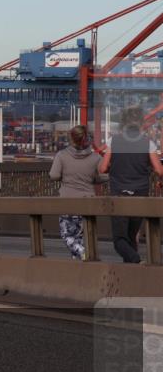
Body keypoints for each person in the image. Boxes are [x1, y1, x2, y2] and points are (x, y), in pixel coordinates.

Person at [98, 106, 163, 263]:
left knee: (120, 239)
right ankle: (133, 271)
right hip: (140, 193)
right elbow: (160, 171)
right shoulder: (148, 143)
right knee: (132, 236)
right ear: (140, 123)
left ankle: (135, 261)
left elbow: (102, 168)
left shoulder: (114, 141)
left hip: (119, 193)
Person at [49, 125, 106, 260]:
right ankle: (80, 268)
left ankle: (82, 253)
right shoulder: (96, 158)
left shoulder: (62, 155)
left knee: (67, 235)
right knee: (82, 236)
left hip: (67, 202)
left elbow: (54, 175)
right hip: (88, 201)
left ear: (71, 138)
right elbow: (100, 177)